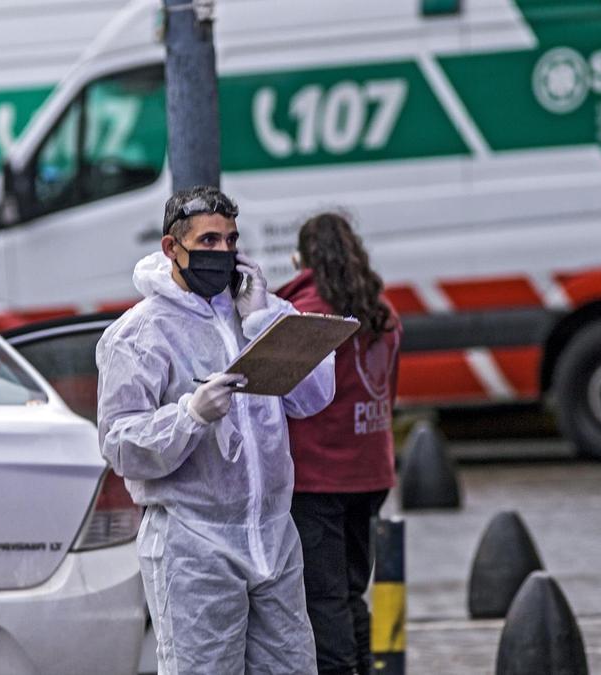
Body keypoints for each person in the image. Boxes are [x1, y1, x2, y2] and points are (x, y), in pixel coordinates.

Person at [95, 185, 336, 674]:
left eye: (230, 241)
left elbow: (313, 398)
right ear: (172, 248)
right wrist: (189, 415)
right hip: (192, 543)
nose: (222, 253)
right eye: (208, 242)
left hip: (272, 535)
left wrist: (264, 320)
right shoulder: (139, 334)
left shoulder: (260, 312)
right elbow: (119, 443)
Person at [276, 212, 402, 675]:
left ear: (303, 258)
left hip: (318, 477)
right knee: (350, 593)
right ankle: (366, 667)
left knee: (323, 598)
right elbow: (390, 390)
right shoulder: (383, 312)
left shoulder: (305, 313)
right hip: (371, 470)